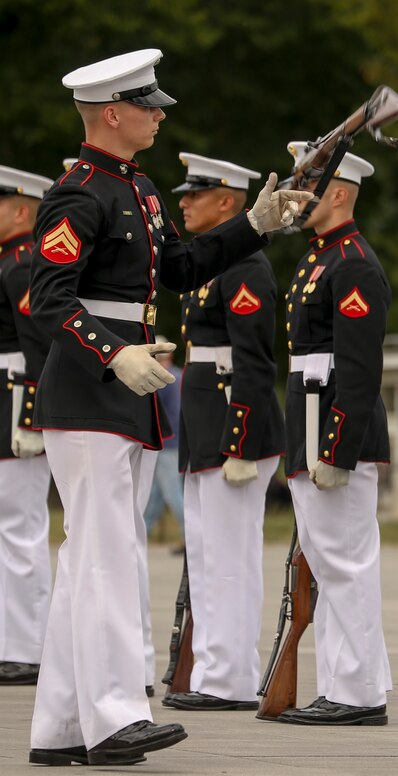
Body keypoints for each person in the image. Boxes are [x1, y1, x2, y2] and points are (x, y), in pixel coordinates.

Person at [27, 49, 310, 766]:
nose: (160, 113)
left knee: (94, 556)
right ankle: (115, 717)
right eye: (148, 105)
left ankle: (61, 726)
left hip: (118, 389)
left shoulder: (139, 190)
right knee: (105, 559)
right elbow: (49, 295)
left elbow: (179, 271)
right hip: (92, 387)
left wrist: (255, 226)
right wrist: (109, 350)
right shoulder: (78, 192)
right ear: (112, 113)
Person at [162, 153, 285, 712]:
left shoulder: (245, 266)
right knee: (208, 555)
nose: (183, 202)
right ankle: (212, 669)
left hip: (234, 431)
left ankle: (230, 678)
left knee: (230, 556)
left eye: (196, 194)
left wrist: (240, 442)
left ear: (229, 203)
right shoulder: (210, 263)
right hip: (205, 428)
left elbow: (256, 362)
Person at [275, 148, 392, 727]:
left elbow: (360, 369)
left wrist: (338, 448)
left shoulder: (354, 264)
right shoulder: (319, 258)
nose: (298, 195)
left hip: (333, 423)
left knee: (345, 560)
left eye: (308, 184)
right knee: (327, 559)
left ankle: (358, 692)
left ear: (339, 193)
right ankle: (347, 683)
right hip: (309, 415)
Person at [0, 166, 53, 687]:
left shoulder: (21, 263)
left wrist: (33, 415)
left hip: (17, 397)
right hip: (7, 396)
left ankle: (28, 646)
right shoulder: (9, 262)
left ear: (20, 210)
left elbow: (38, 344)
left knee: (20, 527)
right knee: (8, 527)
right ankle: (11, 641)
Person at [142, 339, 185, 543]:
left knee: (172, 494)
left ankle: (191, 534)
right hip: (174, 440)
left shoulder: (162, 377)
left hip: (166, 442)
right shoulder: (178, 374)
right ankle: (142, 530)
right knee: (156, 494)